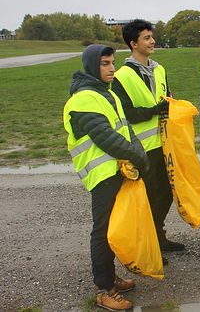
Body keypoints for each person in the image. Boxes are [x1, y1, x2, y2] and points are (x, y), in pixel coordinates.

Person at [63, 44, 149, 311]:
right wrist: (139, 156)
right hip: (102, 174)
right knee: (102, 232)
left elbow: (125, 130)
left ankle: (111, 278)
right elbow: (106, 138)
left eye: (112, 62)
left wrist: (138, 151)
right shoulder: (83, 99)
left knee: (114, 227)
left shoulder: (106, 94)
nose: (112, 68)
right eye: (104, 63)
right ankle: (104, 290)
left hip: (117, 170)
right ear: (91, 66)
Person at [111, 19, 184, 254]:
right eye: (146, 38)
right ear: (133, 43)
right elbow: (125, 114)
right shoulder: (121, 76)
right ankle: (147, 247)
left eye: (152, 37)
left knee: (167, 193)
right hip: (141, 147)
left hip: (164, 142)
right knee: (148, 198)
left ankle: (158, 235)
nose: (152, 41)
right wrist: (156, 110)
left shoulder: (159, 69)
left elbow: (165, 97)